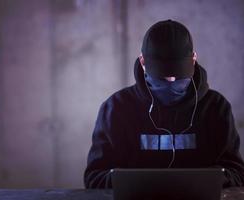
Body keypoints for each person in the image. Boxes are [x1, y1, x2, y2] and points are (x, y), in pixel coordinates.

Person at [84, 19, 244, 189]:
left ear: (194, 59)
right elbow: (94, 178)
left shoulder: (216, 108)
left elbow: (237, 173)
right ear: (143, 62)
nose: (171, 81)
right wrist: (134, 184)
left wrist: (211, 181)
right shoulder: (115, 109)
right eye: (162, 76)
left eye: (179, 75)